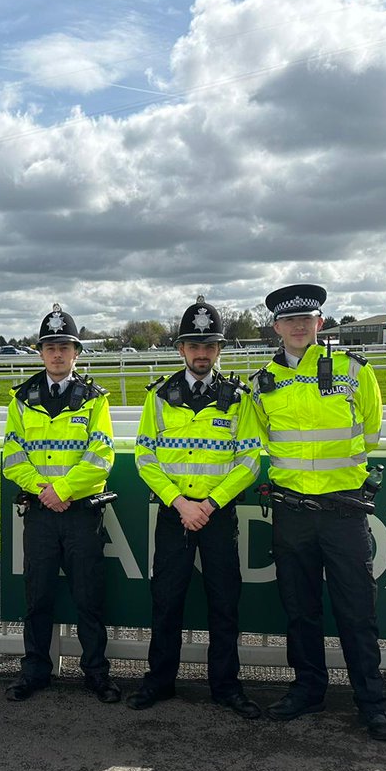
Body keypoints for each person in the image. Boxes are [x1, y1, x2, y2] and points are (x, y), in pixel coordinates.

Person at [252, 283, 386, 741]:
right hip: (292, 513)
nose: (298, 326)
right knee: (300, 610)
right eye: (289, 320)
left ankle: (371, 701)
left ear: (319, 323)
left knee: (357, 611)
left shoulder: (353, 370)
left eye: (306, 319)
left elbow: (370, 431)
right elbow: (260, 443)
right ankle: (308, 690)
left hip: (342, 511)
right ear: (276, 327)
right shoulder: (262, 384)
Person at [127, 296, 262, 718]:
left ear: (219, 349)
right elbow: (145, 457)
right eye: (193, 345)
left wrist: (211, 503)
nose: (201, 353)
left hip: (219, 516)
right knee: (166, 601)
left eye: (209, 345)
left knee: (225, 603)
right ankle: (159, 682)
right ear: (181, 349)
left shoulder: (238, 397)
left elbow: (250, 460)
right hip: (175, 514)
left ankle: (226, 687)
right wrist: (181, 503)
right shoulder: (160, 396)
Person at [2, 304, 120, 704]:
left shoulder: (94, 399)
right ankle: (34, 671)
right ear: (39, 352)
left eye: (64, 346)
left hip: (81, 514)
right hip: (40, 513)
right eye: (50, 346)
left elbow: (101, 455)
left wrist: (63, 490)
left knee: (89, 597)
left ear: (76, 353)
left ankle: (96, 674)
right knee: (38, 597)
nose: (57, 353)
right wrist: (42, 491)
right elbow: (12, 456)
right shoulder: (22, 398)